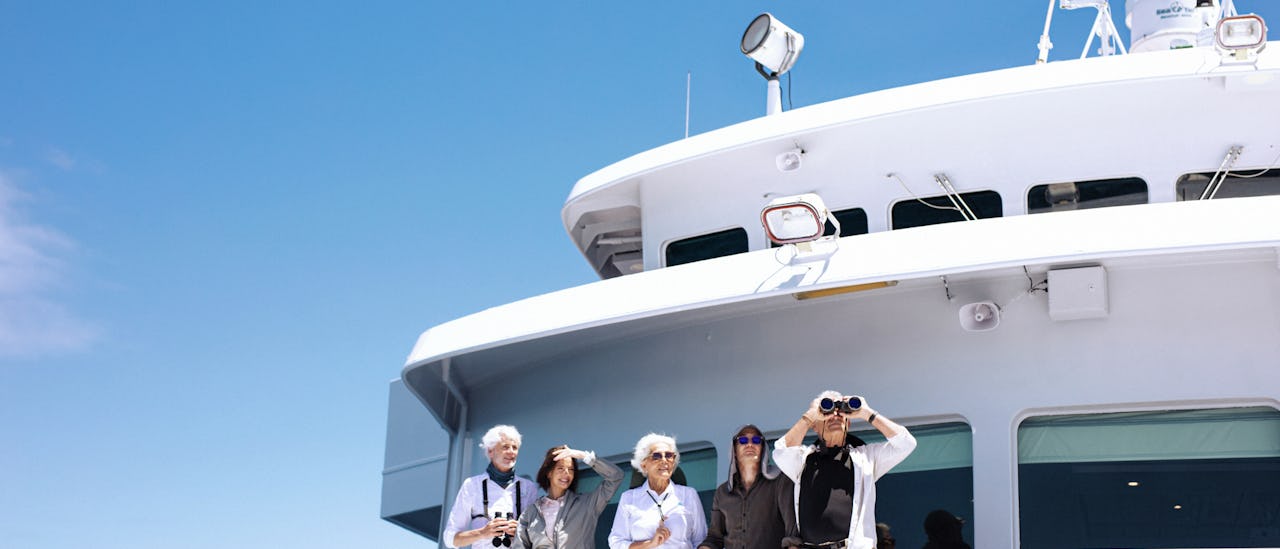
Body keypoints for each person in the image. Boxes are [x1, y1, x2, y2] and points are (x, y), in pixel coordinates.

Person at [773, 391, 917, 549]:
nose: (835, 416)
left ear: (848, 424)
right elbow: (781, 452)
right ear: (815, 425)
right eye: (827, 413)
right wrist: (810, 416)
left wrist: (867, 413)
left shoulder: (866, 459)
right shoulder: (803, 460)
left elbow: (906, 444)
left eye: (840, 413)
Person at [698, 425, 798, 549]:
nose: (750, 444)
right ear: (734, 450)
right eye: (743, 440)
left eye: (756, 440)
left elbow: (792, 535)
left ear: (763, 449)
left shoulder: (780, 483)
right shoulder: (722, 492)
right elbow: (714, 538)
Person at [444, 425, 540, 549]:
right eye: (505, 447)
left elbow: (540, 537)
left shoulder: (529, 488)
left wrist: (521, 531)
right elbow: (450, 539)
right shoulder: (472, 485)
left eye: (515, 447)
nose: (511, 452)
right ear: (490, 451)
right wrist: (483, 532)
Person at [608, 433, 708, 549]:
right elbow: (616, 542)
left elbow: (701, 539)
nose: (664, 460)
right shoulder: (629, 498)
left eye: (669, 455)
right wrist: (650, 543)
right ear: (644, 464)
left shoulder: (689, 495)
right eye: (656, 456)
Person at [517, 445, 625, 549]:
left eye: (571, 469)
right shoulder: (530, 513)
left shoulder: (587, 504)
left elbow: (616, 476)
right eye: (561, 468)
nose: (566, 473)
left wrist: (583, 456)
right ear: (549, 473)